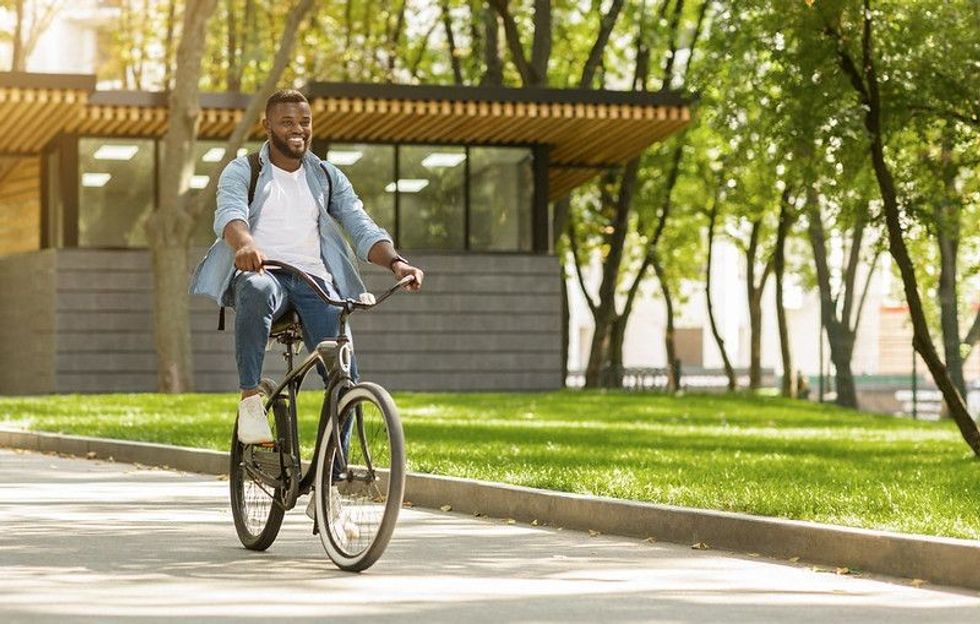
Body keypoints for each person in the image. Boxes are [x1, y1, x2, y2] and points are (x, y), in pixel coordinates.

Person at [190, 89, 423, 445]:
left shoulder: (327, 176)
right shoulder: (244, 170)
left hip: (316, 282)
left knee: (344, 379)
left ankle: (330, 479)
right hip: (265, 273)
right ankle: (250, 399)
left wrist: (396, 262)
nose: (298, 129)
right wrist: (246, 244)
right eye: (287, 122)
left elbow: (360, 226)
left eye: (305, 121)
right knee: (255, 287)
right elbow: (230, 215)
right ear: (267, 126)